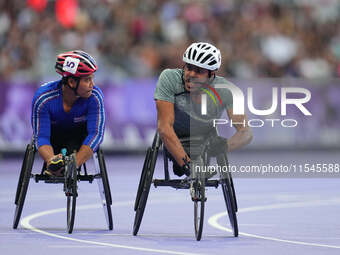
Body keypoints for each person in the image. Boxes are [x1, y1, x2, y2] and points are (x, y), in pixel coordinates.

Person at [154, 42, 253, 176]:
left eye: (199, 71)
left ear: (211, 74)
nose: (191, 74)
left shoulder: (227, 90)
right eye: (189, 68)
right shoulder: (169, 79)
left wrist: (224, 146)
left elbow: (246, 132)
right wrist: (188, 166)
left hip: (206, 140)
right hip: (175, 138)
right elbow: (164, 128)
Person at [31, 50, 105, 176]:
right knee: (53, 157)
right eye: (87, 80)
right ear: (71, 82)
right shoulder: (43, 98)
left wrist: (74, 165)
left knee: (80, 141)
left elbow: (96, 134)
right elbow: (41, 136)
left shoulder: (95, 97)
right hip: (52, 139)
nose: (92, 85)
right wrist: (51, 160)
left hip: (79, 140)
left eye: (92, 79)